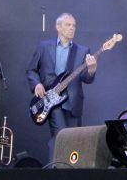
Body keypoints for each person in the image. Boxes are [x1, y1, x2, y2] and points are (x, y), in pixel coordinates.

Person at [26, 13, 97, 163]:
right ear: (58, 27)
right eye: (68, 25)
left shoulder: (83, 50)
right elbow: (31, 70)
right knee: (60, 137)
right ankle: (55, 170)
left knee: (74, 142)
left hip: (73, 103)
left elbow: (86, 78)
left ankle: (71, 172)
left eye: (74, 26)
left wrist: (91, 70)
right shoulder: (44, 47)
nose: (72, 28)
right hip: (52, 101)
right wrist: (37, 84)